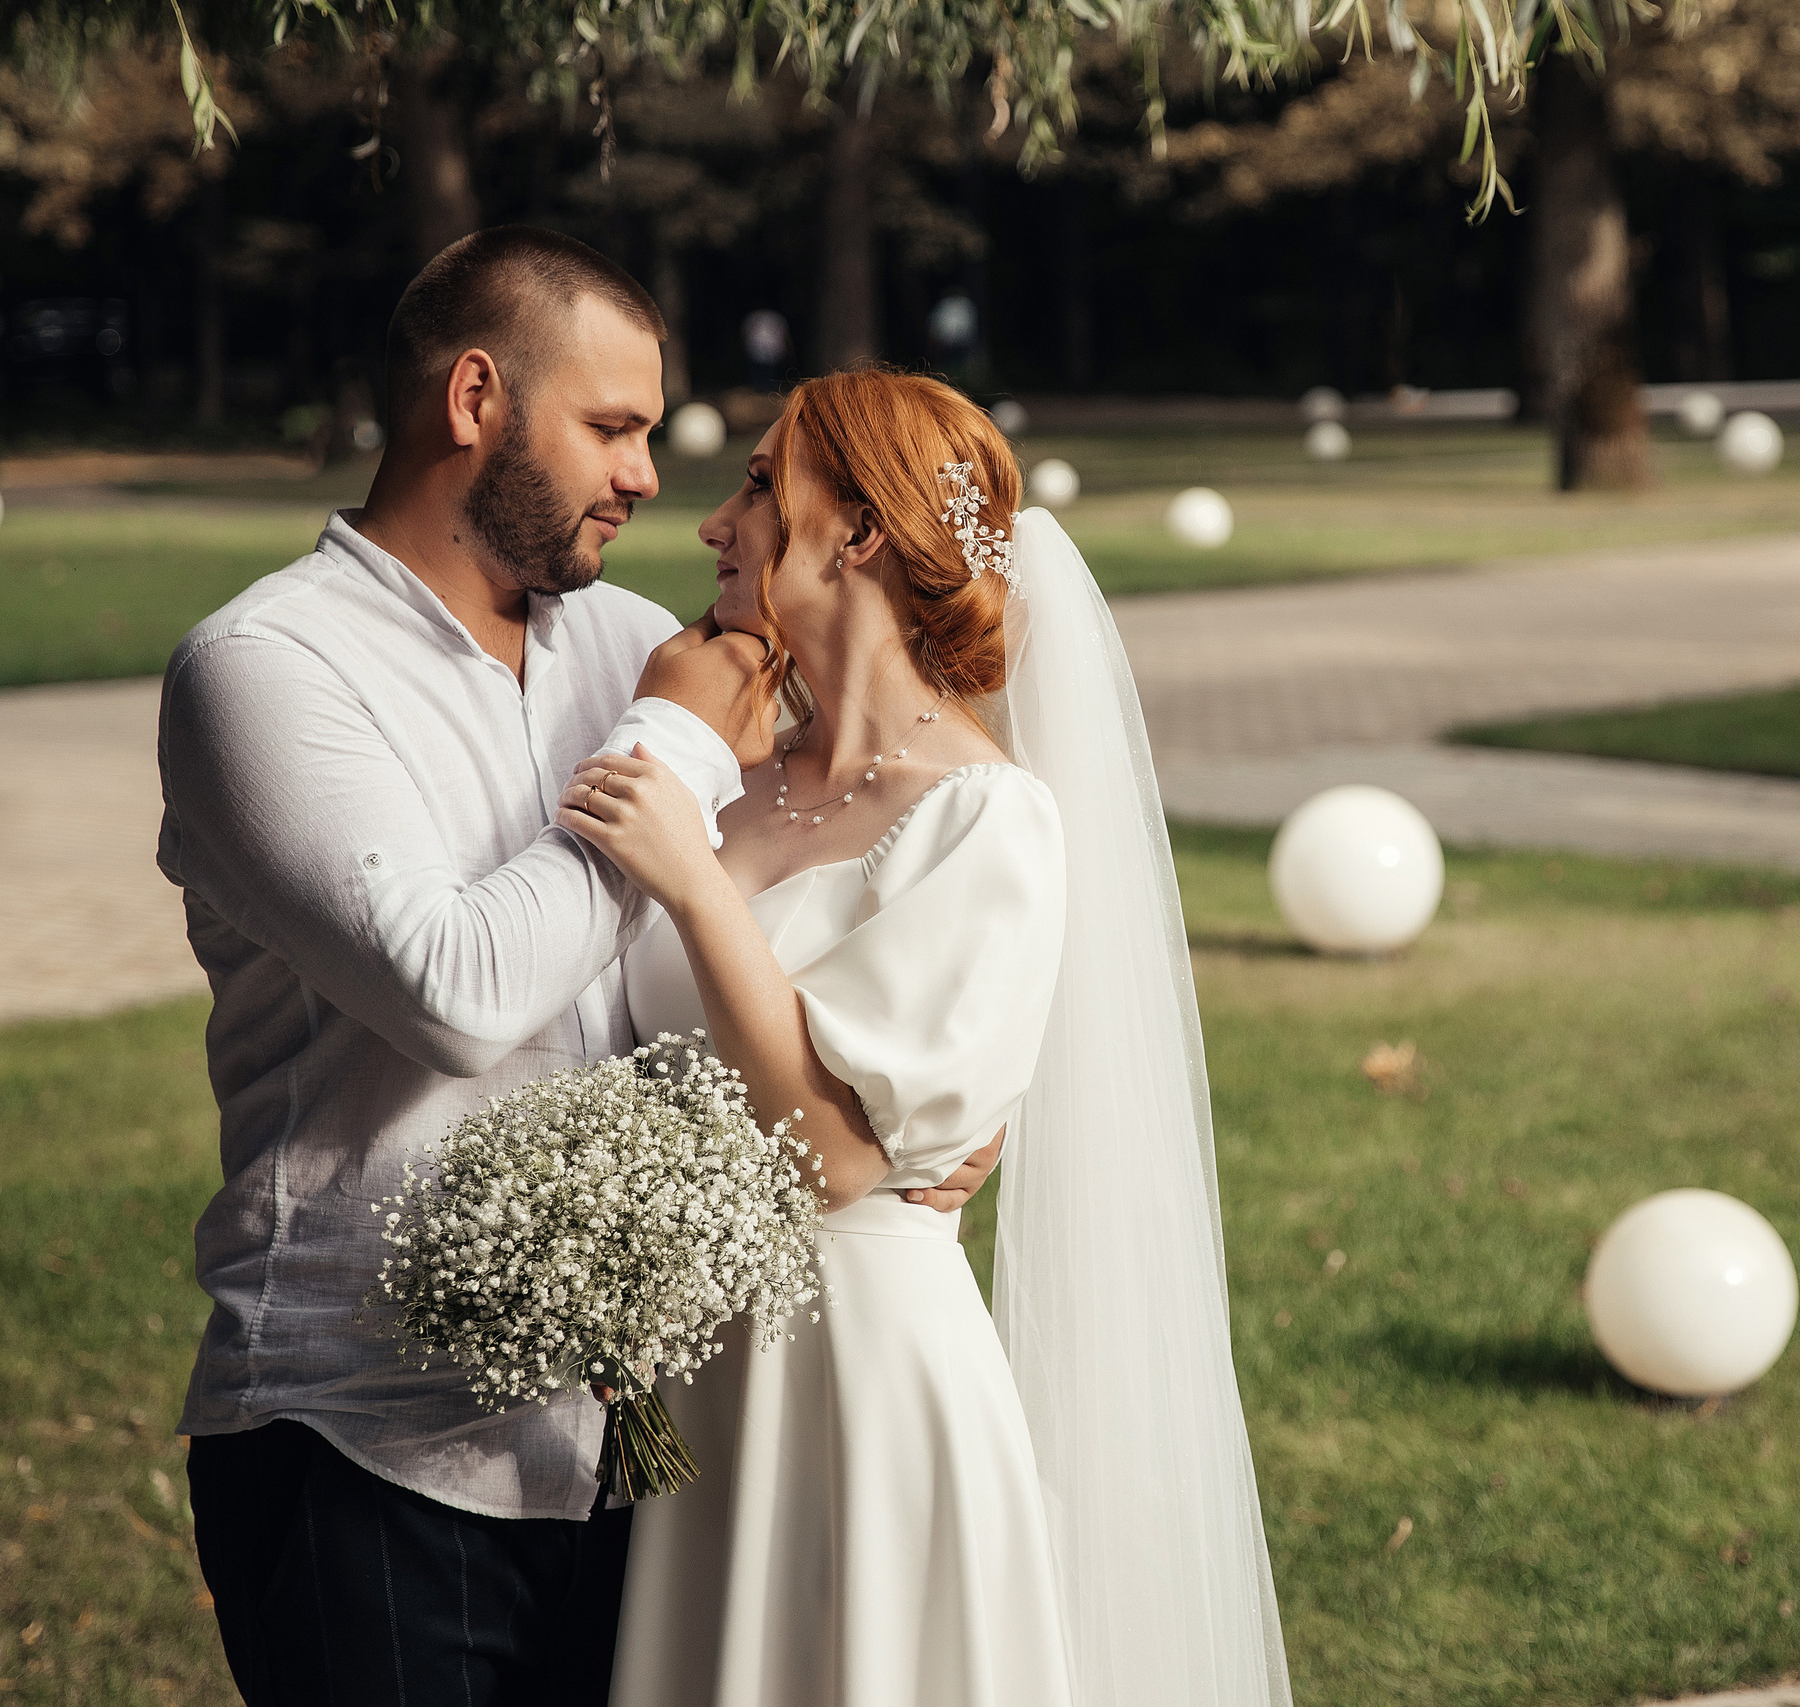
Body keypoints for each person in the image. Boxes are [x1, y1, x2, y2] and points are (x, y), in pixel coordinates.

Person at [159, 229, 1004, 1706]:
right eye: (611, 427)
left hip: (642, 1443)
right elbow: (458, 992)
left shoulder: (631, 640)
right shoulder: (267, 671)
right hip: (365, 1439)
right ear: (474, 398)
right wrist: (669, 743)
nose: (647, 477)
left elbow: (862, 828)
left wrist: (924, 1102)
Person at [559, 368, 1294, 1707]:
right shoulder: (722, 778)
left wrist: (695, 886)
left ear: (859, 531)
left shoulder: (985, 820)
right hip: (693, 1387)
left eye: (759, 488)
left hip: (856, 1380)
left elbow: (840, 1163)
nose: (714, 523)